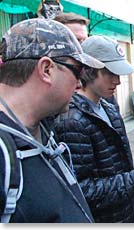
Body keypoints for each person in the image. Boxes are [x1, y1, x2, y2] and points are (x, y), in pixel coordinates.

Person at [53, 35, 134, 223]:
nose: (117, 81)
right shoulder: (72, 120)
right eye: (110, 74)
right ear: (88, 71)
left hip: (127, 213)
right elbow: (80, 190)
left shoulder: (108, 108)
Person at [0, 18, 105, 222]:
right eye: (78, 71)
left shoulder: (42, 125)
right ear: (47, 70)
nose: (79, 84)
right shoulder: (3, 151)